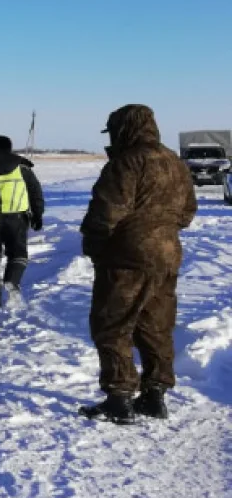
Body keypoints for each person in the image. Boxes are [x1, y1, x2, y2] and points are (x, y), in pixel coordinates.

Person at [79, 105, 196, 424]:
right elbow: (187, 212)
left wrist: (95, 246)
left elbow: (106, 213)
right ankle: (155, 395)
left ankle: (118, 399)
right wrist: (161, 229)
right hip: (167, 255)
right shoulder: (175, 161)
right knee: (156, 325)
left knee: (113, 324)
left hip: (127, 257)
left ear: (124, 128)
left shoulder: (127, 162)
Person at [0, 135, 45, 305]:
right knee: (18, 253)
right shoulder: (21, 167)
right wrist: (38, 214)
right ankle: (12, 280)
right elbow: (35, 192)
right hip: (16, 218)